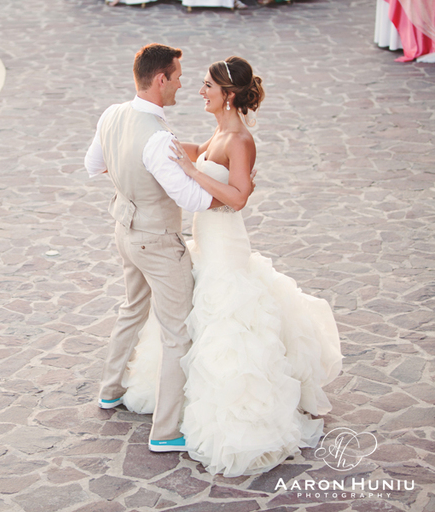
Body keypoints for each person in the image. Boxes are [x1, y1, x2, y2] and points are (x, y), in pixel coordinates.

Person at [121, 56, 344, 477]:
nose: (199, 91)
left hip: (225, 244)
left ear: (228, 95)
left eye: (207, 85)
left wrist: (189, 170)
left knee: (228, 322)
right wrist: (156, 144)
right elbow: (201, 155)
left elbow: (239, 196)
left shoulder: (240, 140)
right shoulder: (221, 129)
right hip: (207, 239)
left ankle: (237, 413)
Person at [84, 43, 227, 453]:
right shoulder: (159, 139)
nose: (182, 84)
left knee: (132, 308)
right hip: (159, 242)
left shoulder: (112, 114)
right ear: (161, 78)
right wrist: (232, 195)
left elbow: (94, 166)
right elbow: (192, 199)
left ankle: (110, 390)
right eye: (179, 76)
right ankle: (165, 431)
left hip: (124, 231)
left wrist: (132, 172)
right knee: (177, 333)